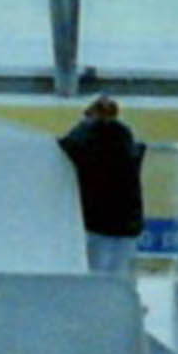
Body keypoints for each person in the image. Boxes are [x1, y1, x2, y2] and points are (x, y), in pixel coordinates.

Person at [56, 95, 148, 277]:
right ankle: (118, 303)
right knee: (119, 273)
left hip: (97, 220)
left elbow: (66, 148)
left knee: (94, 272)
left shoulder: (84, 137)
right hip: (128, 220)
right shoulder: (126, 138)